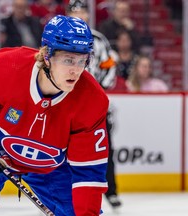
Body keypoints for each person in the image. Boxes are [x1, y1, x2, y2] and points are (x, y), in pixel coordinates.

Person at [0, 15, 109, 216]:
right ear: (46, 55)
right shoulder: (9, 66)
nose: (76, 70)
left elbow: (88, 174)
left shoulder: (92, 100)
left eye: (82, 61)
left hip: (50, 168)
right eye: (68, 59)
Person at [66, 0, 122, 208]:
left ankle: (111, 191)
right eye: (75, 12)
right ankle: (59, 193)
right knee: (60, 150)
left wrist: (99, 92)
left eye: (82, 12)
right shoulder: (60, 40)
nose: (80, 15)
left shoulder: (98, 40)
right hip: (65, 104)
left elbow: (109, 67)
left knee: (104, 148)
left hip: (94, 105)